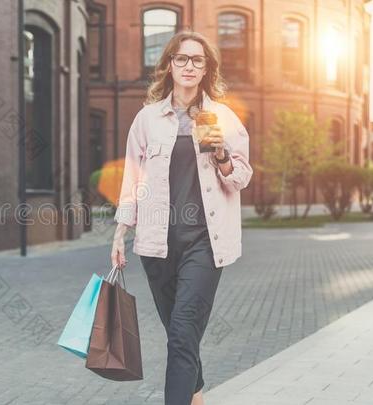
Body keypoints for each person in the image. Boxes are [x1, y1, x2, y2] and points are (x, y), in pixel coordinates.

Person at [110, 30, 253, 405]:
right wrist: (120, 232)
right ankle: (197, 396)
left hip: (206, 243)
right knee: (179, 333)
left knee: (183, 329)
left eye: (198, 60)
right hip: (156, 245)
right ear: (169, 65)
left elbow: (241, 177)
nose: (189, 66)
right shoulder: (147, 120)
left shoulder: (221, 117)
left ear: (207, 68)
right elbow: (132, 180)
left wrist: (222, 156)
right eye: (181, 59)